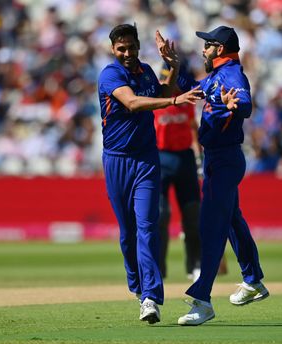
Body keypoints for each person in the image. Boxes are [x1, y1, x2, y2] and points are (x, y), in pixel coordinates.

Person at [163, 26, 269, 326]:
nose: (203, 50)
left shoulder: (232, 74)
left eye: (207, 45)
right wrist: (175, 66)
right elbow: (193, 89)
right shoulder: (216, 76)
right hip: (218, 159)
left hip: (224, 160)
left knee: (211, 227)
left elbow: (244, 100)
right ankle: (253, 280)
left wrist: (240, 107)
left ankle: (203, 300)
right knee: (232, 220)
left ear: (219, 49)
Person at [97, 24, 201, 325]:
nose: (127, 53)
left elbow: (166, 91)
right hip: (116, 162)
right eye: (121, 49)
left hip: (146, 160)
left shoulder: (145, 71)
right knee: (128, 234)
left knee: (148, 226)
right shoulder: (110, 75)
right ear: (114, 50)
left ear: (138, 45)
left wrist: (174, 65)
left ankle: (151, 298)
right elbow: (132, 102)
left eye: (131, 47)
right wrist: (173, 101)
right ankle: (138, 285)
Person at [153, 64, 202, 282]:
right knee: (161, 215)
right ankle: (159, 270)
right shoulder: (155, 102)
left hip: (184, 159)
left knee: (192, 215)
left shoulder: (186, 101)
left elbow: (193, 128)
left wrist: (198, 156)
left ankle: (195, 265)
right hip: (160, 159)